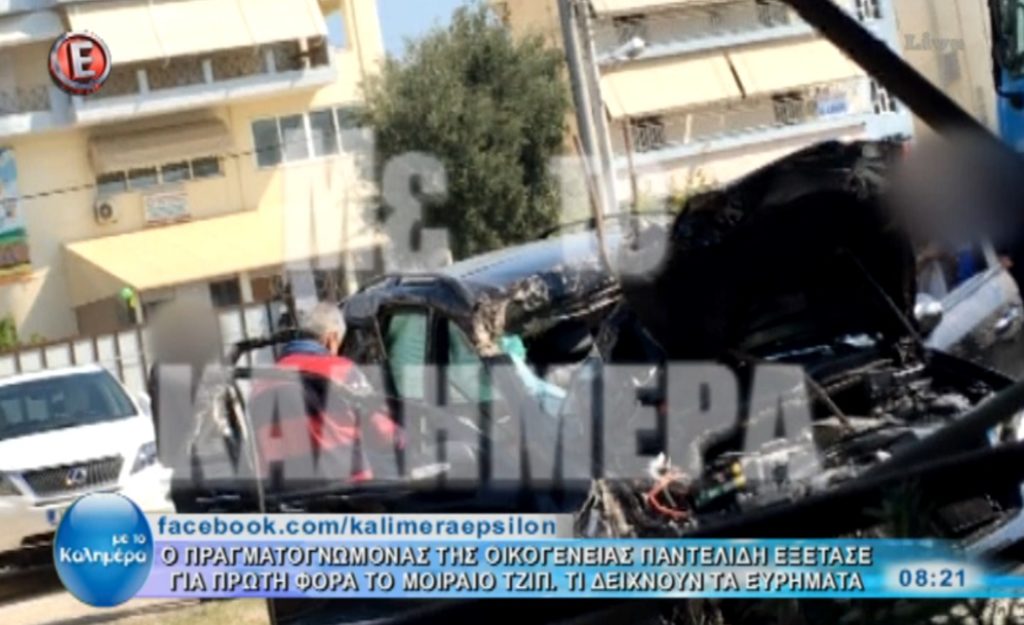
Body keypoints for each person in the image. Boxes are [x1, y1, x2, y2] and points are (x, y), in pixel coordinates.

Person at [250, 303, 404, 487]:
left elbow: (259, 458)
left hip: (287, 496)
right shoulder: (342, 371)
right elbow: (382, 433)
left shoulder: (260, 386)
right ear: (331, 339)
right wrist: (404, 438)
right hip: (347, 493)